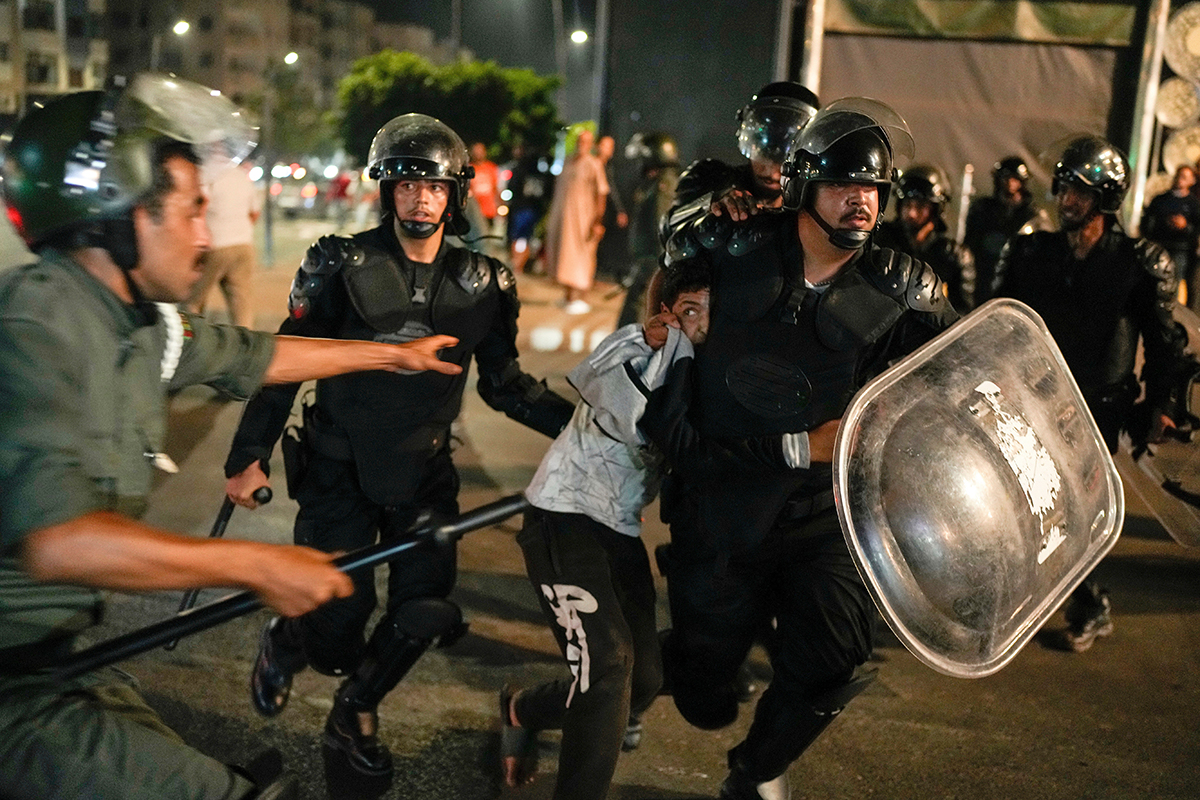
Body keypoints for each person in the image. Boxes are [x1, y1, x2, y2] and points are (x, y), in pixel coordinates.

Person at [0, 77, 463, 800]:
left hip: (54, 659)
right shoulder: (40, 326)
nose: (206, 236)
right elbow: (59, 542)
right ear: (119, 213)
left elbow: (256, 355)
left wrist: (390, 356)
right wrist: (257, 563)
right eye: (191, 210)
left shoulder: (136, 322)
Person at [224, 112, 575, 778]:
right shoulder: (340, 264)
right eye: (407, 184)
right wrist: (247, 456)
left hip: (424, 473)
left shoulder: (486, 282)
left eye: (435, 186)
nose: (420, 198)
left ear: (454, 194)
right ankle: (289, 638)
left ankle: (356, 708)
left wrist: (588, 429)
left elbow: (505, 386)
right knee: (335, 632)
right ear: (387, 190)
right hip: (337, 471)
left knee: (426, 608)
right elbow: (285, 362)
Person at [651, 98, 958, 799]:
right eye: (843, 183)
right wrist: (705, 223)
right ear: (802, 186)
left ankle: (755, 771)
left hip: (824, 514)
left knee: (834, 656)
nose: (861, 200)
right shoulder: (729, 247)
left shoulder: (903, 287)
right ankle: (660, 675)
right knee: (704, 692)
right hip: (722, 505)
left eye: (872, 187)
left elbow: (965, 370)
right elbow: (672, 249)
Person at [992, 135, 1189, 653]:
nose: (1067, 199)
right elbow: (995, 323)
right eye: (1063, 187)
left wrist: (1163, 405)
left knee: (1072, 513)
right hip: (1032, 401)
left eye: (1079, 190)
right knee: (1021, 505)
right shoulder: (1033, 252)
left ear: (1105, 196)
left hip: (1098, 407)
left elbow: (1164, 343)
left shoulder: (1137, 262)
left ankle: (1088, 605)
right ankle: (1031, 599)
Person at [666, 82, 818, 233]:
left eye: (784, 158)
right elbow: (669, 227)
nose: (771, 171)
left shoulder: (812, 205)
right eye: (763, 151)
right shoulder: (710, 177)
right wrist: (712, 205)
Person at [874, 163, 976, 313]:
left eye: (920, 206)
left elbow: (961, 312)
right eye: (908, 204)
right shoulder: (880, 239)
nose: (912, 213)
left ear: (936, 208)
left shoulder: (954, 255)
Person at [963, 156, 1052, 308]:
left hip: (1016, 286)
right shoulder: (982, 211)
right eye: (1006, 179)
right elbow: (969, 247)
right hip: (982, 280)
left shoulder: (1034, 217)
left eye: (1015, 179)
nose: (1010, 184)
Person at [616, 132, 682, 328]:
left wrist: (658, 276)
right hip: (647, 268)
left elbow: (662, 233)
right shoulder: (658, 184)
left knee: (633, 326)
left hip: (652, 270)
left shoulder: (663, 187)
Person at [187, 157, 262, 327]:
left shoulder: (205, 174)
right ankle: (244, 340)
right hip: (243, 245)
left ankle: (189, 336)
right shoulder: (240, 175)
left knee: (192, 301)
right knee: (241, 304)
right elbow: (255, 212)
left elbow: (198, 207)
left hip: (215, 244)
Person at [543, 128, 609, 314]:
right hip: (564, 218)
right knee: (564, 256)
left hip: (584, 219)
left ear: (591, 145)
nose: (581, 145)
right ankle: (568, 297)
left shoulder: (594, 164)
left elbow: (601, 193)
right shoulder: (567, 161)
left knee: (583, 256)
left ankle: (582, 298)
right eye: (580, 141)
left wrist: (597, 221)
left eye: (585, 142)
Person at [1142, 164, 1200, 310]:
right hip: (1159, 245)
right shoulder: (1161, 200)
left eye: (1184, 177)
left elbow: (1197, 229)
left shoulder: (1194, 205)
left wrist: (1185, 227)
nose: (1180, 180)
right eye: (1178, 176)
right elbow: (1147, 221)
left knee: (1174, 281)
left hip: (1181, 249)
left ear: (1192, 181)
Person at [507, 141, 554, 274]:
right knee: (523, 238)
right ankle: (518, 264)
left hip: (523, 209)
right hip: (532, 209)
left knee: (520, 237)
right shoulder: (542, 174)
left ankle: (518, 264)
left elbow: (512, 188)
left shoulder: (521, 171)